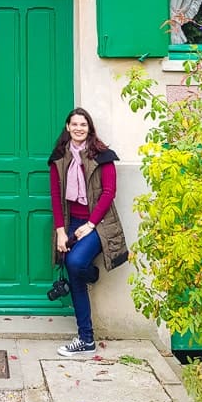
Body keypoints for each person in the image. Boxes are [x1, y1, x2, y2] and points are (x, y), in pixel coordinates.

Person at [48, 107, 128, 356]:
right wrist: (61, 231)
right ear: (68, 127)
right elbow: (56, 196)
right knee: (74, 270)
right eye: (74, 124)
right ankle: (86, 339)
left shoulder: (102, 156)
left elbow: (108, 193)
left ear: (89, 128)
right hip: (71, 222)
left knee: (74, 262)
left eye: (83, 124)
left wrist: (90, 224)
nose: (78, 128)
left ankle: (91, 275)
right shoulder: (59, 158)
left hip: (98, 223)